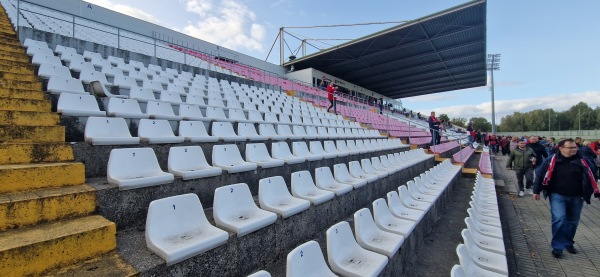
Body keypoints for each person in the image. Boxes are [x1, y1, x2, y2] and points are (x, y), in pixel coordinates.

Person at [532, 138, 599, 258]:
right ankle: (557, 246)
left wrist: (592, 189)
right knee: (559, 219)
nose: (573, 149)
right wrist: (536, 191)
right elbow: (540, 175)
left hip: (577, 196)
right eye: (570, 148)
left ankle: (568, 242)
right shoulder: (551, 160)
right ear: (561, 148)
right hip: (557, 194)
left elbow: (593, 174)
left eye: (575, 147)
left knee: (572, 221)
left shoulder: (583, 161)